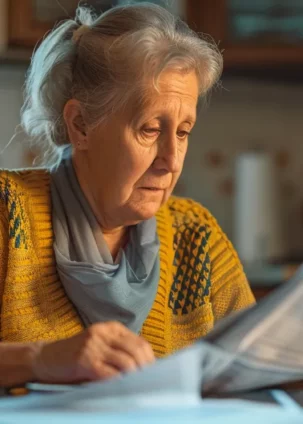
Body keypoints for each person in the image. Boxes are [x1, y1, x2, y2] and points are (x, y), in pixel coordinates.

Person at [0, 2, 255, 388]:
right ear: (81, 125)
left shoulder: (195, 237)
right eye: (151, 130)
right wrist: (38, 358)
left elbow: (261, 368)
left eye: (183, 132)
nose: (171, 161)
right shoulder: (7, 216)